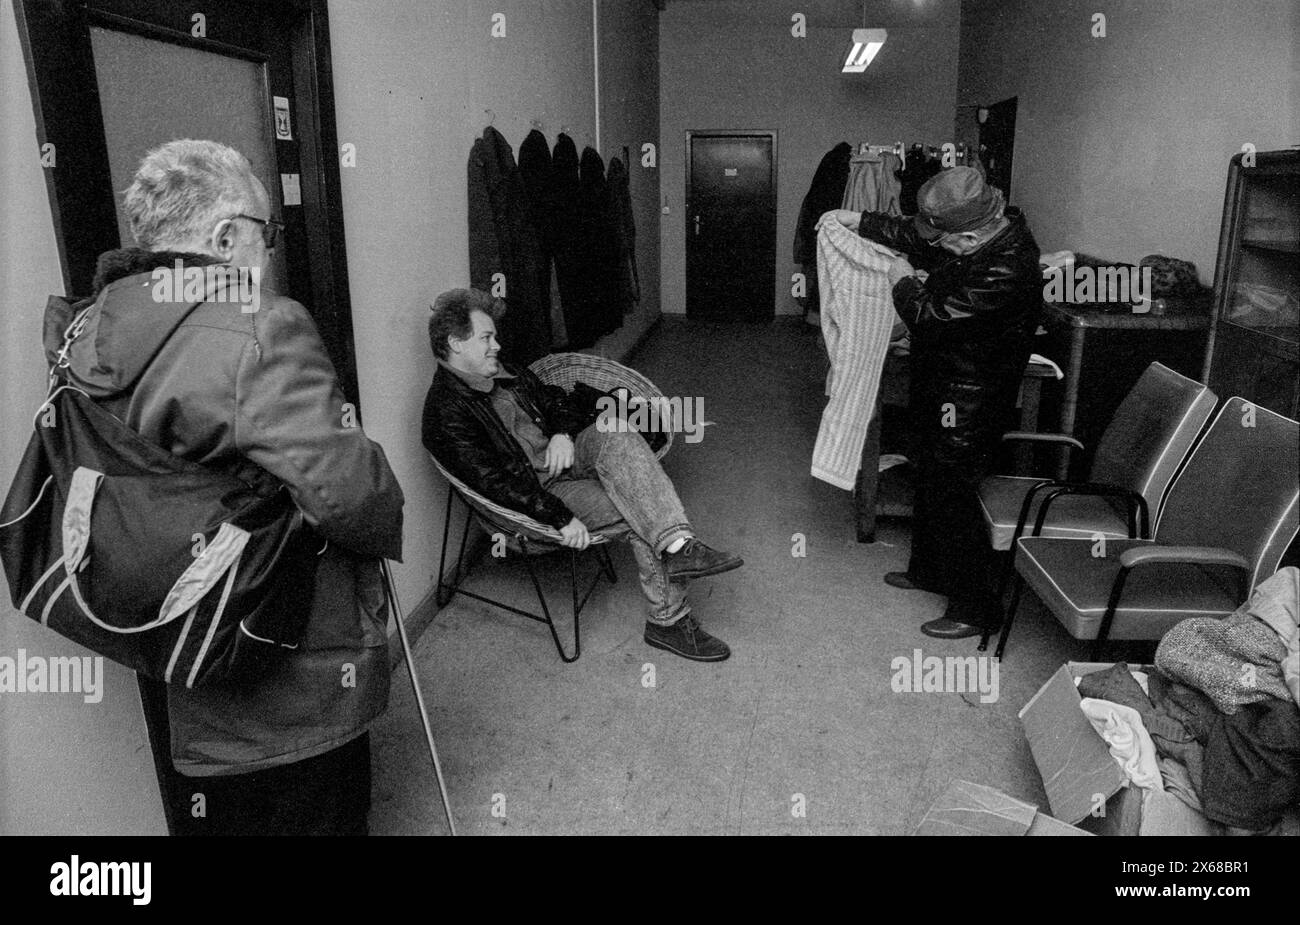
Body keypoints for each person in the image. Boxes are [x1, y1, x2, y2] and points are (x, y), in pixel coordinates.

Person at [45, 139, 404, 834]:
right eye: (266, 235)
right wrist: (363, 459)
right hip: (289, 669)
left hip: (179, 657)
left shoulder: (87, 329)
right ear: (224, 237)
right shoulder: (261, 329)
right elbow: (355, 497)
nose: (270, 254)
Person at [422, 289, 741, 661]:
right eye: (486, 338)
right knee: (639, 504)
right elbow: (495, 484)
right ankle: (668, 618)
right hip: (541, 491)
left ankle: (677, 546)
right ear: (455, 343)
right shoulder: (446, 412)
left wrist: (560, 433)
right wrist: (558, 515)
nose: (497, 345)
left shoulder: (505, 373)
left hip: (567, 456)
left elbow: (556, 398)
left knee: (615, 428)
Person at [835, 166, 1042, 639]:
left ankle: (974, 607)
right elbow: (918, 233)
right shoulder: (979, 230)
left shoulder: (1009, 265)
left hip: (972, 399)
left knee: (955, 495)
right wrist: (858, 220)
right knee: (927, 474)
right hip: (942, 383)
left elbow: (935, 317)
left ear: (968, 239)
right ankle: (929, 571)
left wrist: (905, 281)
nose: (935, 244)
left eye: (947, 241)